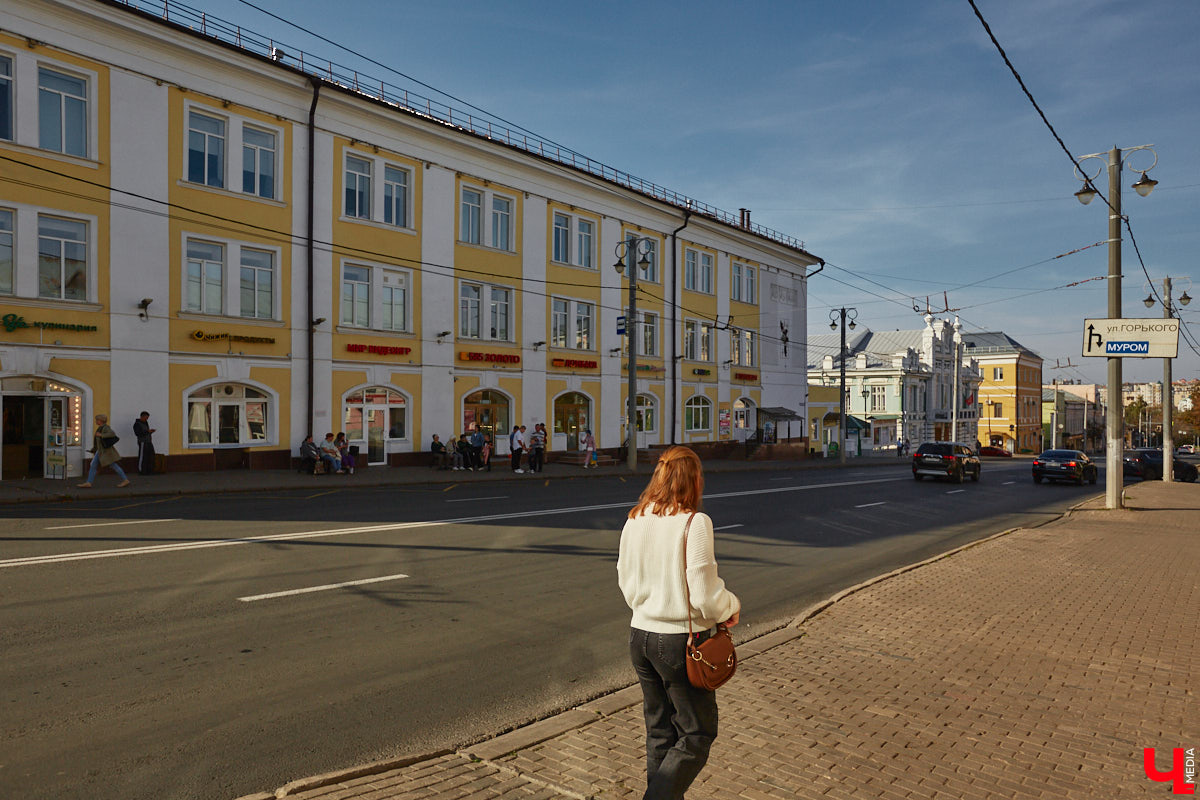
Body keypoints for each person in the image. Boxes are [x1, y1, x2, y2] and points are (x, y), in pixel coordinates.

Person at [617, 446, 740, 800]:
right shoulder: (694, 523)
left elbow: (624, 578)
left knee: (660, 732)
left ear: (659, 477)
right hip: (678, 643)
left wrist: (647, 607)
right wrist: (730, 606)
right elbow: (704, 595)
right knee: (697, 733)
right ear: (694, 481)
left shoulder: (634, 519)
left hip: (640, 637)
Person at [78, 414, 131, 488]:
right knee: (94, 465)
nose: (96, 421)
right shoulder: (101, 428)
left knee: (113, 465)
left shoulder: (105, 427)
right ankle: (89, 482)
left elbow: (112, 434)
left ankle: (125, 480)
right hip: (101, 451)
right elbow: (98, 442)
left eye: (97, 420)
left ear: (101, 421)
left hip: (105, 452)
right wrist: (94, 449)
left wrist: (101, 435)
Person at [133, 411, 156, 475]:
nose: (147, 419)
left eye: (147, 418)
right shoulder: (137, 424)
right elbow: (138, 433)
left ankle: (149, 470)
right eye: (146, 418)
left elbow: (145, 432)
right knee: (143, 457)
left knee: (150, 456)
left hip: (148, 441)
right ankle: (142, 471)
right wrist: (148, 431)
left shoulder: (145, 423)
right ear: (142, 416)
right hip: (142, 442)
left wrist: (150, 432)